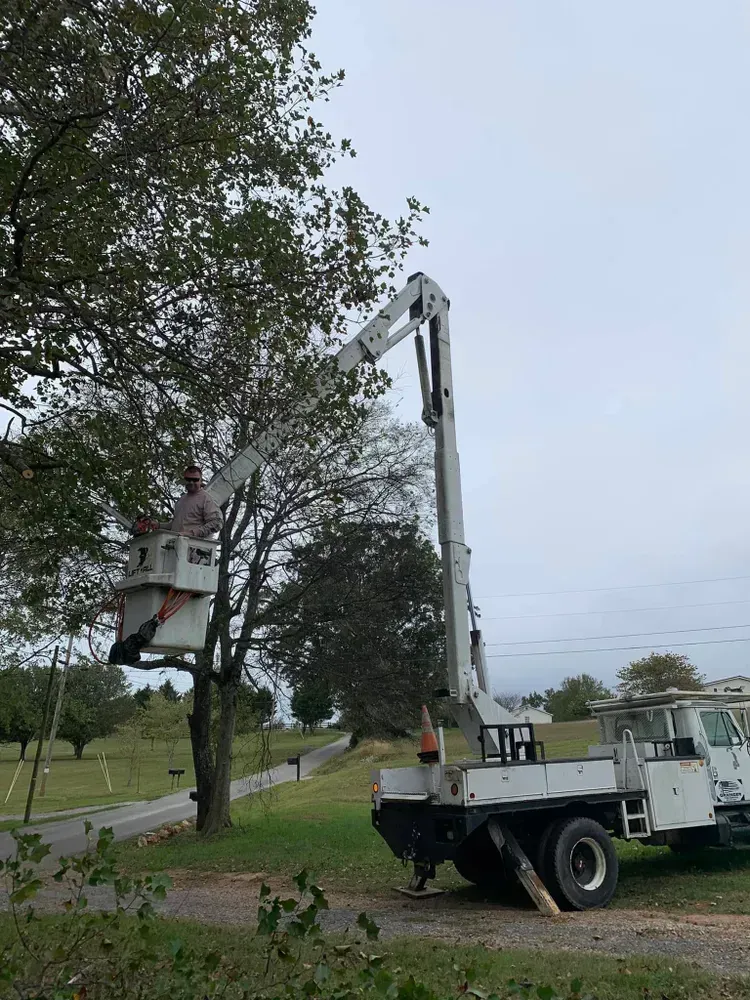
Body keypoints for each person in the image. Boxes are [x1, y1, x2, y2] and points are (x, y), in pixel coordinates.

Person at [162, 465, 223, 539]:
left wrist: (192, 533)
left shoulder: (206, 499)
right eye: (188, 479)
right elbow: (176, 525)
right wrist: (158, 525)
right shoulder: (181, 500)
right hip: (175, 545)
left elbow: (217, 523)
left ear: (201, 480)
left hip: (193, 547)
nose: (191, 482)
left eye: (195, 480)